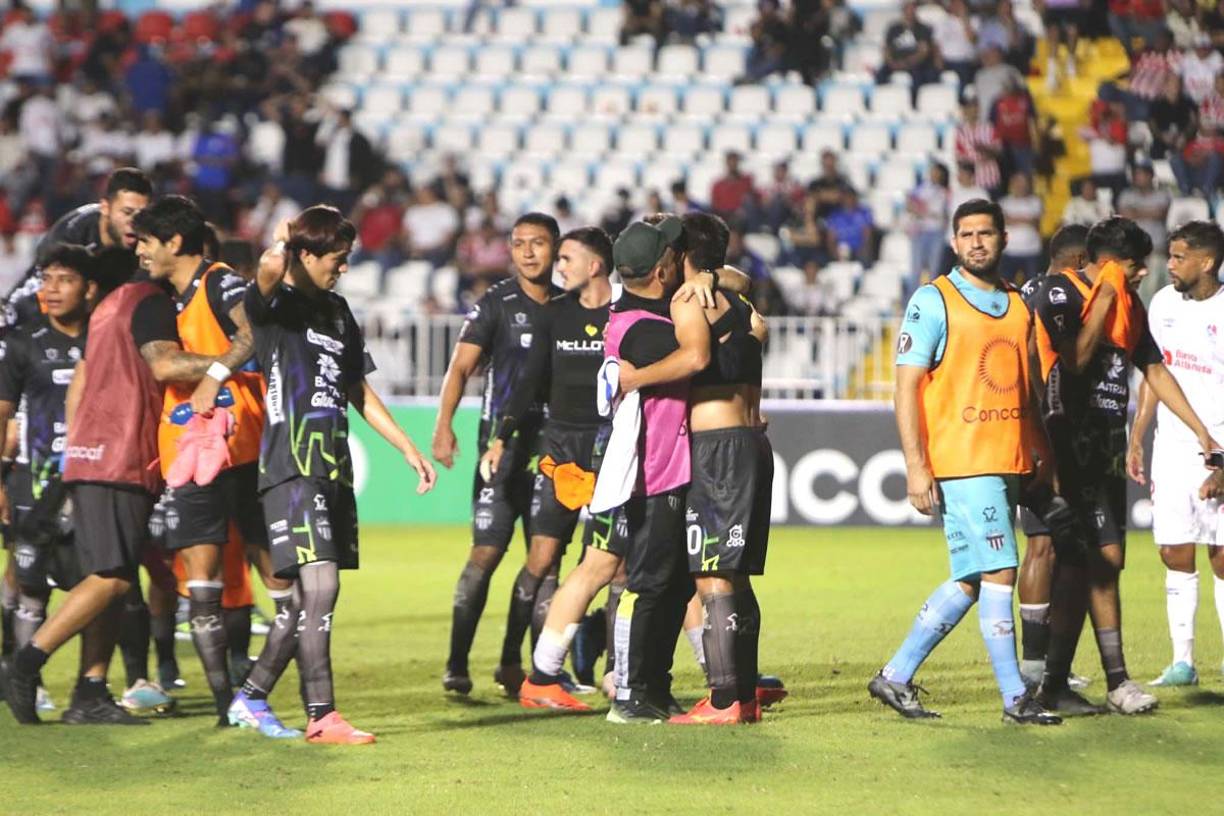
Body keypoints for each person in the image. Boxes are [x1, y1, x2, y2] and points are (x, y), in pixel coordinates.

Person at [1, 238, 225, 725]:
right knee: (110, 578)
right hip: (118, 456)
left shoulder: (105, 309)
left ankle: (90, 692)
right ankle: (24, 663)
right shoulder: (149, 303)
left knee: (111, 577)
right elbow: (164, 364)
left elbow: (79, 385)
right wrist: (235, 358)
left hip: (94, 455)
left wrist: (76, 451)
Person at [243, 206, 436, 743]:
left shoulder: (337, 312)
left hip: (332, 468)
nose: (344, 269)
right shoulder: (274, 307)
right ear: (305, 256)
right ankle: (321, 715)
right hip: (291, 466)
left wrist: (406, 447)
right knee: (319, 588)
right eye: (337, 259)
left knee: (310, 600)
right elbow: (264, 270)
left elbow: (358, 390)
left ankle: (252, 695)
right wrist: (283, 239)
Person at [868, 199, 1061, 725]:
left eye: (986, 233)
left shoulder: (1019, 304)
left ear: (1004, 238)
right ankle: (1015, 698)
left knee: (972, 579)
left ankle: (895, 676)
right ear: (954, 242)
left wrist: (1041, 453)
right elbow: (906, 386)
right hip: (962, 459)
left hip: (1010, 459)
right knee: (1002, 568)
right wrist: (916, 465)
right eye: (967, 234)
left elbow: (1030, 390)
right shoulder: (933, 301)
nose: (977, 242)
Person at [1032, 216, 1219, 715]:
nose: (1143, 276)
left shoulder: (1131, 306)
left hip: (1105, 453)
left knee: (1106, 562)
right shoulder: (1059, 293)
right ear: (1116, 264)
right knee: (1075, 564)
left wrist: (1202, 431)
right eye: (1135, 268)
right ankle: (1052, 683)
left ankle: (1109, 682)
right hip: (1062, 450)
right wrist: (1109, 296)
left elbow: (1154, 369)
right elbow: (1074, 358)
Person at [129, 196, 301, 735]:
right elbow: (162, 364)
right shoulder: (156, 303)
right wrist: (223, 364)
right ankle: (229, 704)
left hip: (249, 453)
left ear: (174, 243)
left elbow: (257, 336)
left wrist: (215, 376)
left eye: (145, 241)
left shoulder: (222, 282)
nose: (138, 252)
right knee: (200, 585)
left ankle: (279, 688)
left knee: (285, 585)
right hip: (189, 458)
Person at [616, 212, 774, 725]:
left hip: (717, 449)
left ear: (679, 257)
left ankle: (725, 700)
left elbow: (694, 358)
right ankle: (744, 694)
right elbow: (744, 294)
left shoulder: (689, 301)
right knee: (737, 577)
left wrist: (635, 379)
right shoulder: (741, 300)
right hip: (752, 440)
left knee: (711, 576)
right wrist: (712, 273)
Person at [477, 228, 615, 691]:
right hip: (559, 452)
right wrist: (501, 437)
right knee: (541, 558)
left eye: (568, 259)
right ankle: (511, 661)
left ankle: (617, 669)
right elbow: (528, 381)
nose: (560, 267)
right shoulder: (554, 315)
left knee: (615, 563)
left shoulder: (624, 315)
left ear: (594, 266)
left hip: (612, 450)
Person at [433, 213, 562, 696]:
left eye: (539, 243)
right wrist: (443, 426)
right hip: (501, 453)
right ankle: (456, 662)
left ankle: (526, 666)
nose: (528, 252)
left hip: (555, 453)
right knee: (485, 553)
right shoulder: (496, 303)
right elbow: (460, 367)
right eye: (519, 243)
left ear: (556, 248)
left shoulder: (568, 308)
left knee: (546, 563)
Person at [1125, 221, 1224, 687]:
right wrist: (1137, 436)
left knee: (1223, 557)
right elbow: (1153, 375)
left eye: (1180, 257)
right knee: (1173, 550)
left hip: (1218, 449)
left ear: (1207, 262)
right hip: (1172, 447)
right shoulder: (1162, 303)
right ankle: (1182, 662)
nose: (1170, 265)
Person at [0, 245, 94, 715]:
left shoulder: (104, 337)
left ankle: (91, 686)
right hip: (33, 483)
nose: (51, 289)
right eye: (46, 279)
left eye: (64, 279)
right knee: (30, 585)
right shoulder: (22, 341)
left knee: (98, 582)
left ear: (89, 287)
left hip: (89, 482)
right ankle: (26, 682)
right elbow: (2, 413)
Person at [1015, 224, 1089, 689]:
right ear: (1079, 261)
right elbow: (1039, 365)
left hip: (1022, 430)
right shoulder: (1056, 298)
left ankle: (1037, 665)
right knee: (1047, 545)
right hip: (1047, 432)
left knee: (1044, 545)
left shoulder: (1025, 293)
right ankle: (1036, 668)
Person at [2, 168, 152, 334]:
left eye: (142, 214)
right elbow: (33, 292)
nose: (135, 222)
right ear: (105, 208)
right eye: (127, 212)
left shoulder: (150, 236)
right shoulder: (70, 236)